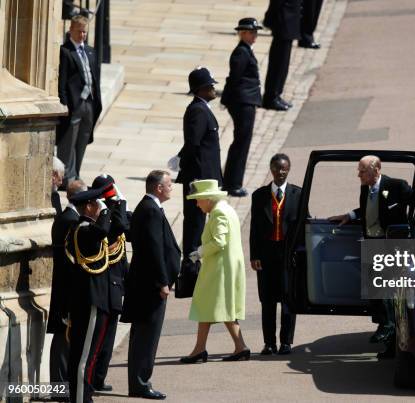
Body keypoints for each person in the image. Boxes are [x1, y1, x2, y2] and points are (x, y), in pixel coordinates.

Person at [328, 155, 415, 359]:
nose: (359, 174)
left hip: (392, 247)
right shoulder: (365, 188)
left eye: (362, 171)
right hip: (372, 245)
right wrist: (349, 216)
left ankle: (388, 328)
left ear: (376, 170)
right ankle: (388, 335)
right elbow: (367, 209)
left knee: (388, 291)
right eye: (359, 170)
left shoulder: (396, 186)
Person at [121, 170, 180, 400]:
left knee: (144, 335)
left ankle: (139, 381)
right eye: (168, 184)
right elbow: (154, 250)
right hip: (150, 287)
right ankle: (140, 383)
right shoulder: (151, 210)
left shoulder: (149, 207)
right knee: (147, 336)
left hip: (146, 285)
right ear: (158, 188)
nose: (171, 187)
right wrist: (163, 282)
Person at [180, 179, 249, 363]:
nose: (197, 203)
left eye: (199, 199)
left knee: (214, 306)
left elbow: (219, 241)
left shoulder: (218, 213)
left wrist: (199, 252)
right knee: (211, 306)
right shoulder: (224, 209)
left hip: (220, 269)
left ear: (208, 199)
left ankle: (207, 349)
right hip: (222, 267)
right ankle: (205, 348)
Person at [64, 185, 111, 403]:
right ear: (90, 206)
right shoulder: (83, 230)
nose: (100, 208)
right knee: (84, 357)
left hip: (93, 297)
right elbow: (101, 231)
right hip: (89, 299)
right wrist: (108, 210)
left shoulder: (84, 229)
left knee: (88, 355)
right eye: (98, 204)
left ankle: (84, 396)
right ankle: (81, 399)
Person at [250, 154, 300, 355]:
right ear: (271, 169)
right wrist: (255, 255)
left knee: (288, 299)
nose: (281, 173)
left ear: (289, 169)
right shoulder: (259, 195)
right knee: (268, 300)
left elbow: (303, 224)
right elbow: (254, 228)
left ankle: (286, 342)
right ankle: (269, 343)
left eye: (284, 169)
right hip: (267, 254)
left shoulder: (298, 194)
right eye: (277, 169)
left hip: (288, 255)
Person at [176, 67, 222, 268]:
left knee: (199, 222)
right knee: (195, 222)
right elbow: (194, 144)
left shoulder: (202, 109)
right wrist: (193, 176)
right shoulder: (197, 110)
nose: (214, 89)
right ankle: (191, 263)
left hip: (204, 178)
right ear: (201, 89)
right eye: (210, 86)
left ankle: (194, 260)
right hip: (199, 179)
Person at [90, 174, 130, 392]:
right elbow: (121, 226)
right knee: (101, 337)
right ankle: (94, 378)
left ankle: (98, 378)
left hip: (116, 283)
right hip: (107, 285)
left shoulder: (111, 214)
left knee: (108, 335)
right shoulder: (105, 218)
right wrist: (120, 204)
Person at [47, 179, 87, 389]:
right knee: (64, 336)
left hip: (66, 287)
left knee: (66, 337)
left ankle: (61, 384)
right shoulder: (70, 220)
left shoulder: (69, 217)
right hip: (66, 289)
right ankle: (58, 386)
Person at [56, 15, 102, 186]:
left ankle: (76, 174)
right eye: (79, 31)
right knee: (68, 141)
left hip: (89, 102)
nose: (83, 35)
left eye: (85, 32)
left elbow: (94, 76)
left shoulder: (90, 51)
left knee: (82, 139)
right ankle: (66, 178)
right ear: (71, 31)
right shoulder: (65, 51)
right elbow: (62, 80)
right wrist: (64, 102)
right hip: (75, 103)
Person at [221, 17, 264, 198]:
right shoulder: (241, 53)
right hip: (242, 102)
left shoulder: (246, 51)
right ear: (243, 33)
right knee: (241, 142)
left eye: (255, 33)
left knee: (242, 142)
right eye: (252, 32)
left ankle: (232, 181)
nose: (255, 36)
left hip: (246, 100)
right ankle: (233, 183)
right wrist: (227, 99)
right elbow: (234, 78)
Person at [262, 0, 302, 111]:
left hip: (290, 17)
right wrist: (269, 18)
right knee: (278, 63)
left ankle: (276, 94)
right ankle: (271, 97)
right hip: (284, 19)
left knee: (283, 63)